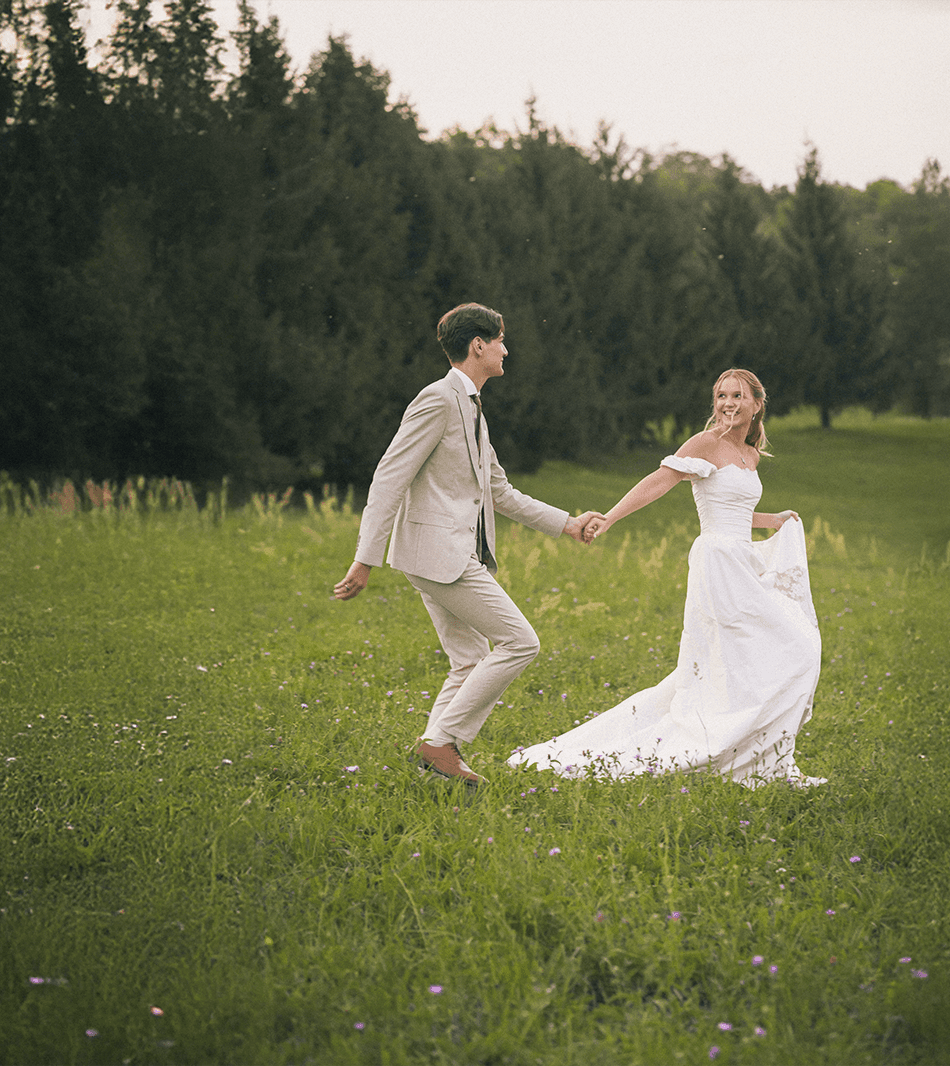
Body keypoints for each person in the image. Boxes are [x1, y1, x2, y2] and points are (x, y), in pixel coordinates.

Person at [507, 369, 825, 788]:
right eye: (721, 395)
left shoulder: (747, 452)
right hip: (718, 564)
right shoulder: (705, 443)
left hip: (740, 559)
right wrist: (611, 518)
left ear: (756, 404)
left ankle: (757, 755)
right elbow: (660, 482)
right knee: (778, 648)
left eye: (737, 396)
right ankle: (724, 742)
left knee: (772, 652)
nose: (727, 403)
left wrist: (774, 519)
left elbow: (733, 510)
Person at [334, 303, 602, 789]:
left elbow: (500, 492)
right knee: (520, 642)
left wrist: (568, 524)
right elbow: (389, 478)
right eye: (500, 339)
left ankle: (438, 758)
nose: (505, 348)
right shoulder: (438, 400)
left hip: (444, 556)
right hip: (442, 556)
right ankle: (441, 742)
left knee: (471, 659)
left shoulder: (473, 407)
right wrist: (364, 559)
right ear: (477, 345)